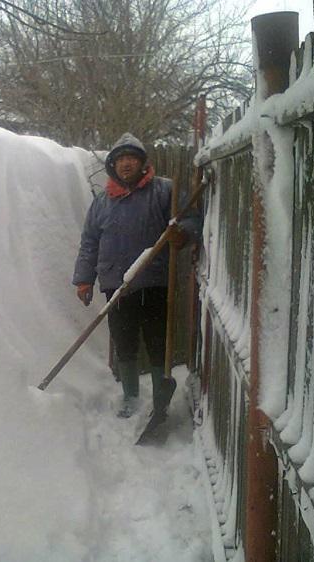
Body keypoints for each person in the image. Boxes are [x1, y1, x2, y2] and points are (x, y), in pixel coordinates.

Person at [72, 132, 201, 419]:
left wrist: (182, 234)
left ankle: (159, 397)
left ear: (142, 163)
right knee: (124, 341)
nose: (126, 164)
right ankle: (130, 396)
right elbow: (90, 242)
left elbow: (191, 219)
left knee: (157, 342)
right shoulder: (102, 202)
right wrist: (84, 279)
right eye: (120, 160)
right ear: (113, 166)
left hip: (154, 282)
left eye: (132, 158)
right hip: (116, 285)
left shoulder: (164, 191)